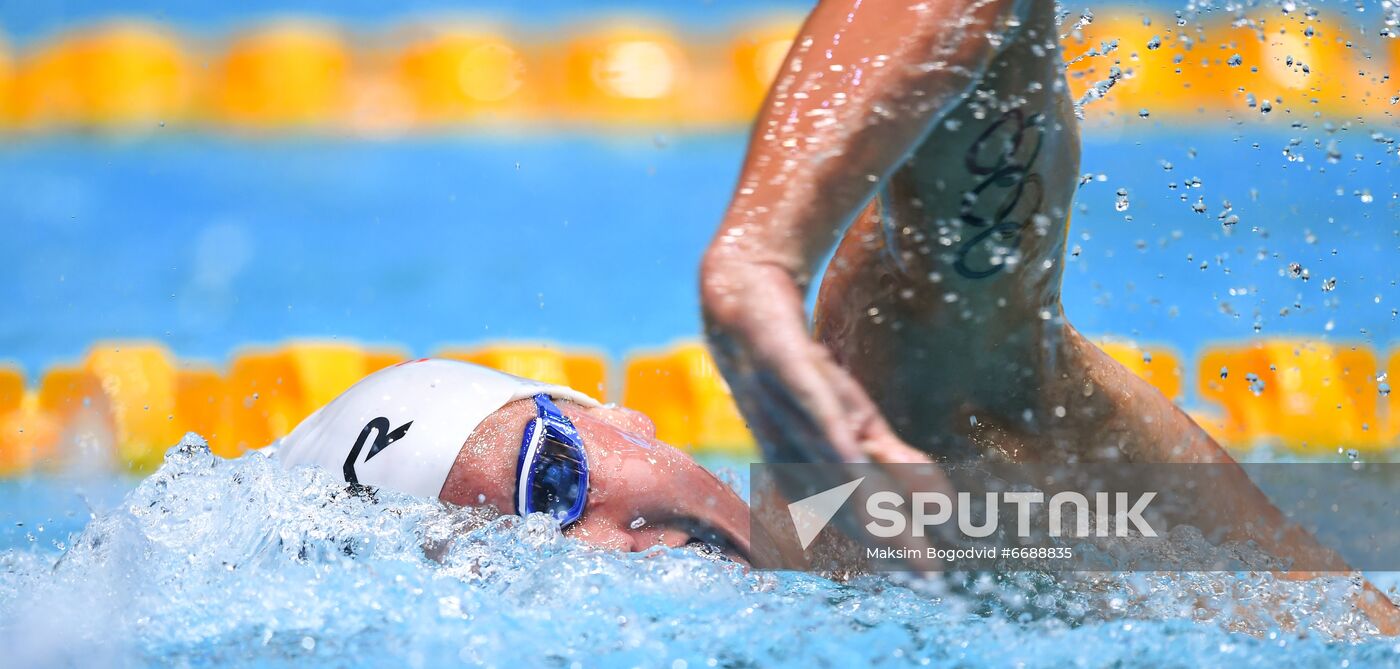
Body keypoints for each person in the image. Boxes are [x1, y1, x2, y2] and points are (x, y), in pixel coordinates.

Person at [699, 0, 1400, 631]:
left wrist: (755, 258)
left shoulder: (902, 390)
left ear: (623, 419)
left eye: (579, 470)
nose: (605, 534)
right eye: (577, 531)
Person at [277, 358, 751, 563]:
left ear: (621, 420)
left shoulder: (819, 492)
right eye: (523, 562)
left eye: (555, 481)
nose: (600, 554)